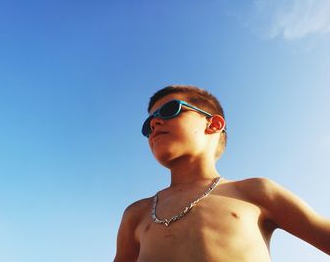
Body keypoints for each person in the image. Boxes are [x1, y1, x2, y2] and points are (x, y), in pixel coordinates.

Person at [114, 85, 330, 261]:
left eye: (170, 110)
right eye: (148, 126)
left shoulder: (256, 192)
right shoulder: (137, 214)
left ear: (214, 124)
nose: (154, 123)